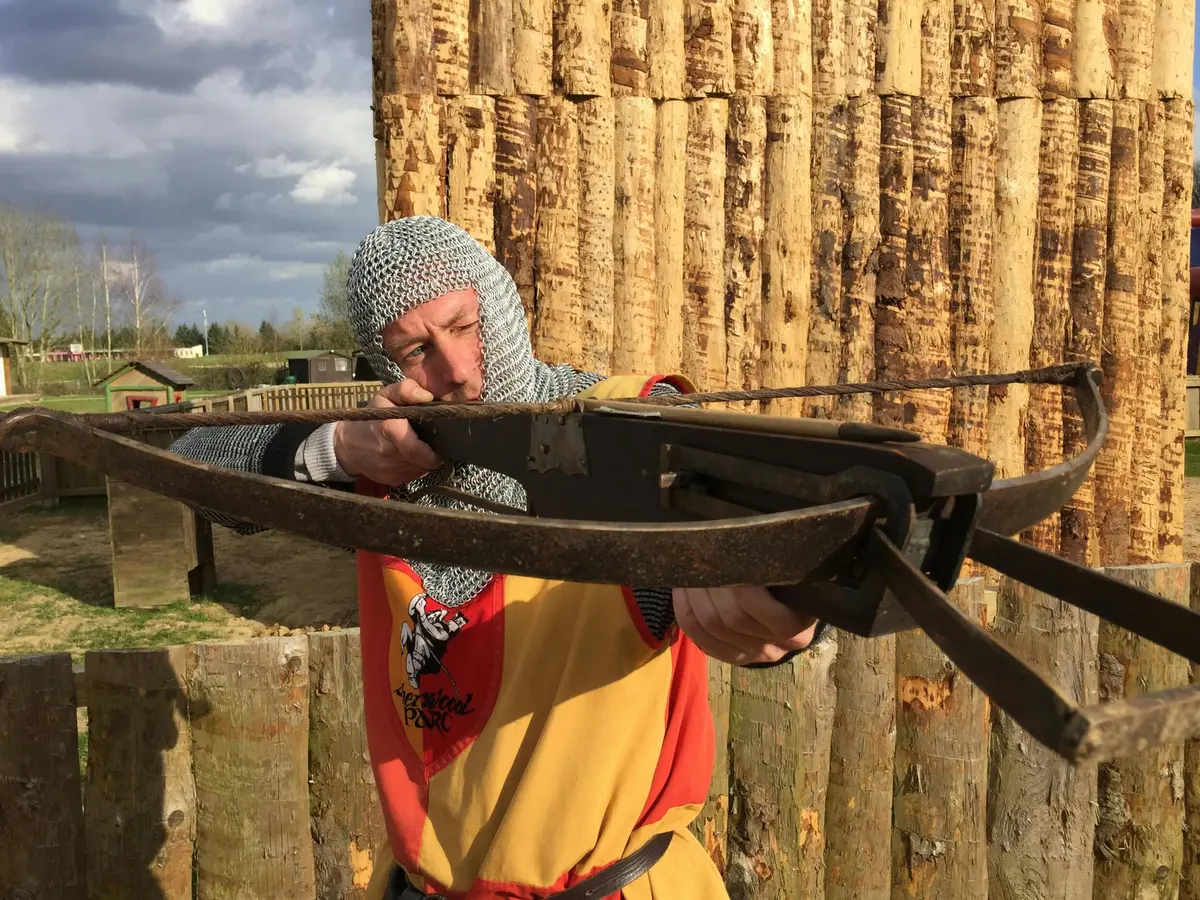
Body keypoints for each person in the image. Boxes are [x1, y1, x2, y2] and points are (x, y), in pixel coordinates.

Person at [170, 217, 831, 900]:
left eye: (462, 325)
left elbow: (754, 537)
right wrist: (336, 449)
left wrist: (791, 608)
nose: (456, 370)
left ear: (500, 304)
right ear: (382, 363)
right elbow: (190, 463)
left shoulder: (629, 431)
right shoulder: (394, 473)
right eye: (416, 349)